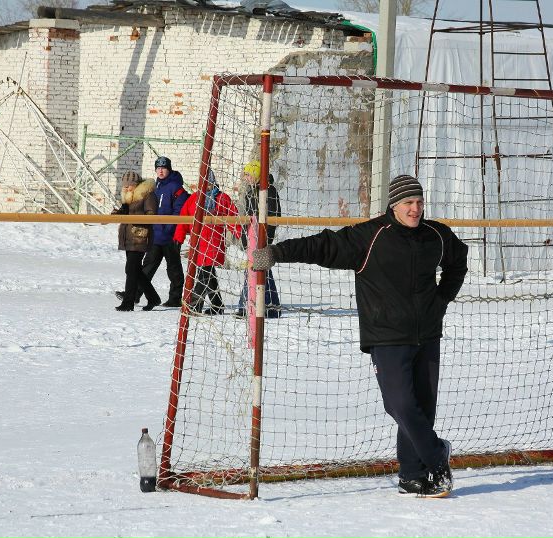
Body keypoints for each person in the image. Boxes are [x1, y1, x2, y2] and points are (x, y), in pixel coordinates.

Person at [251, 174, 468, 497]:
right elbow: (321, 246)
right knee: (401, 405)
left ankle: (411, 475)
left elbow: (458, 262)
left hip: (427, 334)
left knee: (422, 409)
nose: (415, 209)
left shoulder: (436, 235)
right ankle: (437, 456)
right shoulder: (370, 236)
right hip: (387, 337)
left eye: (419, 202)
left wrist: (440, 300)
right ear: (394, 205)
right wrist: (276, 253)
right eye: (409, 203)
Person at [173, 170, 241, 315]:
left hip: (214, 243)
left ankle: (194, 305)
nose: (206, 186)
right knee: (208, 274)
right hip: (197, 243)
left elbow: (232, 215)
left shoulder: (222, 198)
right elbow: (184, 217)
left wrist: (239, 232)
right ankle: (217, 305)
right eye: (203, 183)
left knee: (204, 274)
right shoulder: (194, 199)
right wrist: (178, 237)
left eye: (209, 183)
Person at [139, 156, 189, 308]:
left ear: (169, 169)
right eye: (158, 168)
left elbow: (178, 211)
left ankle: (174, 298)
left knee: (173, 269)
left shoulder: (176, 187)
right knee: (147, 266)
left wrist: (169, 230)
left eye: (164, 168)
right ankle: (134, 294)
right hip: (156, 235)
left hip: (170, 236)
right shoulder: (156, 187)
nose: (160, 171)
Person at [236, 160, 282, 318]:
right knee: (261, 270)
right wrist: (245, 237)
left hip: (262, 237)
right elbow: (248, 217)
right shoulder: (250, 192)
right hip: (252, 237)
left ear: (256, 174)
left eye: (248, 174)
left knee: (255, 269)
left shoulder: (270, 191)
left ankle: (245, 306)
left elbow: (274, 215)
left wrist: (265, 236)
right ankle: (272, 306)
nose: (246, 178)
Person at [113, 171, 162, 311]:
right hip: (129, 236)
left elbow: (151, 215)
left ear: (137, 184)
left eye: (129, 186)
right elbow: (129, 213)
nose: (127, 188)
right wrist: (120, 213)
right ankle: (153, 298)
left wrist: (131, 218)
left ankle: (128, 302)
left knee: (131, 269)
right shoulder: (129, 196)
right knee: (134, 269)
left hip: (140, 236)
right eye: (125, 186)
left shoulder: (147, 194)